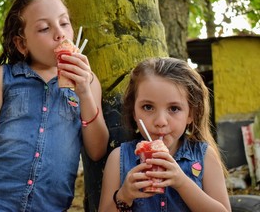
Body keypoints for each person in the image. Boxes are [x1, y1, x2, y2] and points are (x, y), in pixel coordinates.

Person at [0, 0, 109, 211]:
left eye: (64, 23)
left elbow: (97, 150)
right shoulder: (2, 79)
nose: (60, 34)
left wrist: (85, 93)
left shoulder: (89, 82)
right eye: (44, 28)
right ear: (22, 44)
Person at [98, 57, 231, 212]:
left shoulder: (204, 156)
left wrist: (182, 183)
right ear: (134, 111)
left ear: (191, 114)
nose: (160, 121)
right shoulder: (119, 158)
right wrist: (124, 196)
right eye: (148, 107)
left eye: (174, 108)